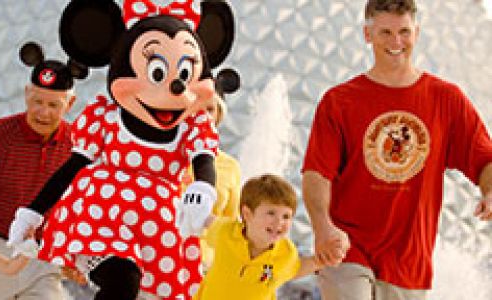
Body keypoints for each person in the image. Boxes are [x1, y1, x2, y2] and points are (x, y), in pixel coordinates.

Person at [6, 1, 236, 299]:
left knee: (140, 291)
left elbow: (203, 160)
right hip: (104, 217)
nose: (174, 87)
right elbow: (72, 167)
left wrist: (204, 189)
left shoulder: (192, 126)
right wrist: (33, 213)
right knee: (122, 282)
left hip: (157, 228)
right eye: (157, 72)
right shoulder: (106, 118)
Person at [301, 0, 492, 299]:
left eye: (404, 31)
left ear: (417, 32)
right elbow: (316, 173)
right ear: (367, 35)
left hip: (409, 261)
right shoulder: (339, 101)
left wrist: (489, 190)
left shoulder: (446, 99)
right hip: (347, 250)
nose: (396, 42)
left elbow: (484, 158)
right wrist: (322, 227)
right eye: (385, 32)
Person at [0, 41, 86, 299]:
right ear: (25, 94)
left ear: (70, 103)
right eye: (36, 101)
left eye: (53, 105)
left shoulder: (80, 146)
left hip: (44, 257)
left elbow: (83, 207)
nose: (42, 113)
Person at [194, 174, 325, 300]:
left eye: (286, 216)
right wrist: (191, 206)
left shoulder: (285, 252)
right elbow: (205, 218)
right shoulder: (226, 232)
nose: (279, 222)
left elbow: (294, 270)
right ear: (247, 214)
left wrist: (319, 261)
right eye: (271, 213)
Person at [182, 68, 242, 271]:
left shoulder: (230, 167)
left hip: (204, 268)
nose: (203, 116)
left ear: (218, 115)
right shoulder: (160, 156)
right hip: (157, 261)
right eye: (196, 107)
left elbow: (229, 224)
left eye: (210, 109)